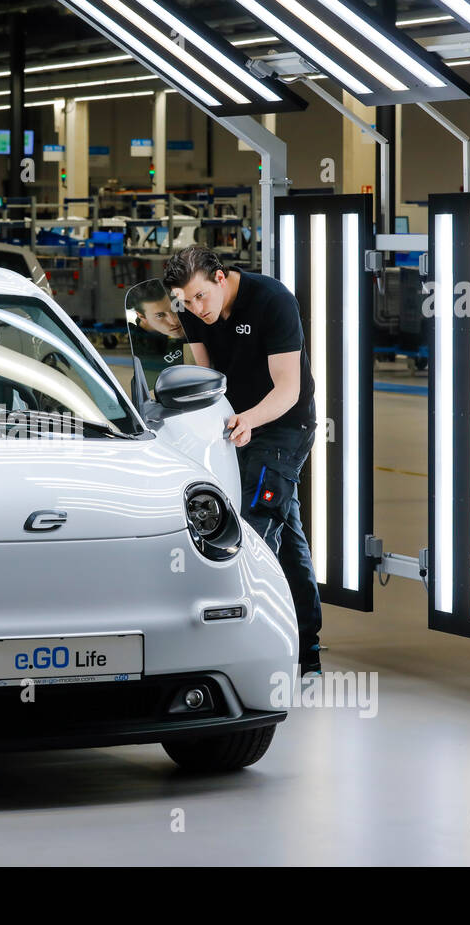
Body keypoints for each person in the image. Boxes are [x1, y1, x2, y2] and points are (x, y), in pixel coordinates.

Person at [163, 245, 323, 676]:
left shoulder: (272, 301)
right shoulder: (192, 311)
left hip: (284, 425)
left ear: (220, 277)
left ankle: (243, 654)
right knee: (286, 535)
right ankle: (306, 650)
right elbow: (205, 378)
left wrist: (249, 420)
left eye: (200, 297)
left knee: (250, 531)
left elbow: (288, 389)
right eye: (185, 301)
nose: (196, 309)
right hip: (237, 424)